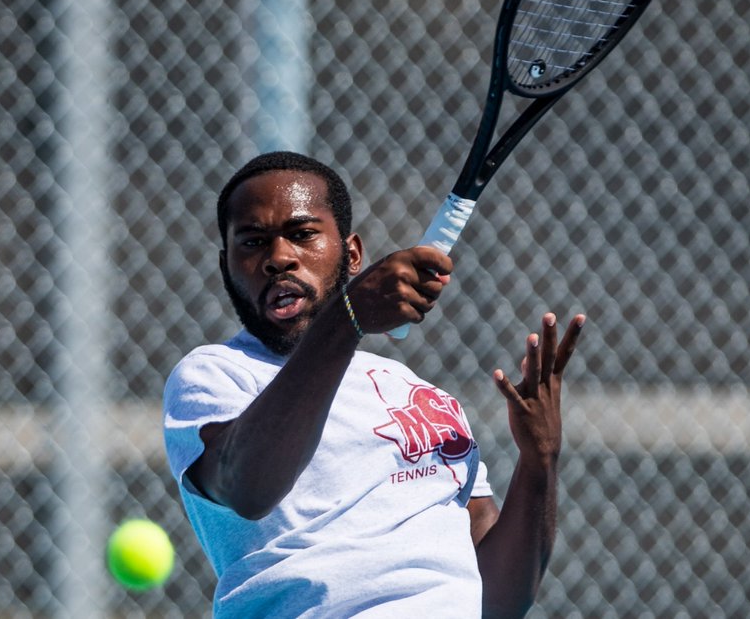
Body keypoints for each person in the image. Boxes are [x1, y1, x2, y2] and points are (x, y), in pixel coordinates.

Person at [163, 151, 584, 618]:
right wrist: (347, 317)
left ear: (352, 254)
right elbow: (250, 487)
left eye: (302, 235)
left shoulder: (417, 393)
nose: (279, 258)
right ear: (227, 267)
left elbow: (499, 602)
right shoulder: (215, 375)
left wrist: (539, 461)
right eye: (253, 242)